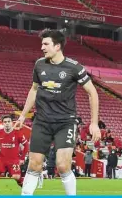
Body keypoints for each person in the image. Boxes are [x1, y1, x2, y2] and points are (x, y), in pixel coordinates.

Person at [14, 29, 101, 195]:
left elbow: (92, 92)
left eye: (46, 44)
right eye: (42, 44)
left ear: (58, 46)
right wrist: (23, 115)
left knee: (62, 165)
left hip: (65, 122)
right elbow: (33, 90)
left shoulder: (74, 67)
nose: (42, 47)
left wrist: (94, 123)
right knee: (34, 164)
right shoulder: (39, 64)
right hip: (42, 121)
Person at [0, 115, 29, 195]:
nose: (7, 123)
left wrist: (22, 158)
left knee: (16, 177)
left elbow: (26, 145)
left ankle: (26, 190)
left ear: (12, 123)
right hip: (2, 159)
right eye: (5, 122)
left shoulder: (17, 133)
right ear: (2, 123)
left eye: (9, 121)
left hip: (14, 160)